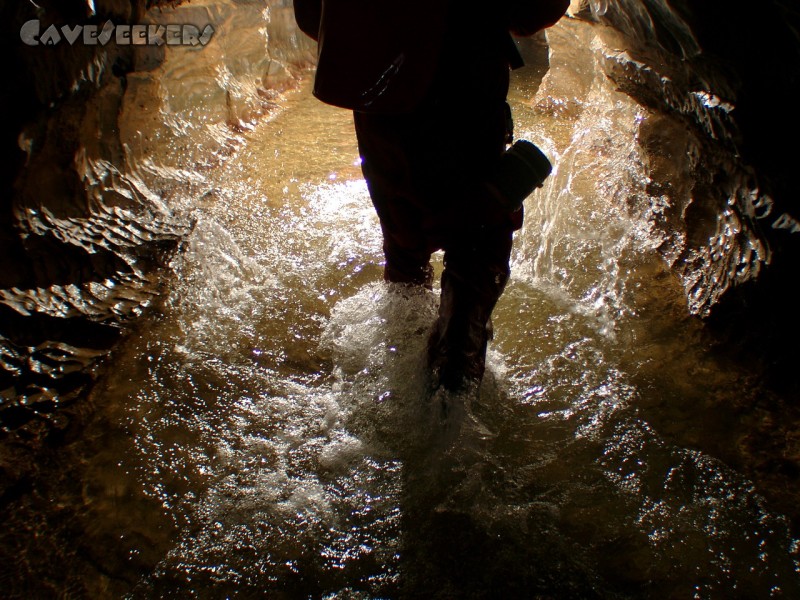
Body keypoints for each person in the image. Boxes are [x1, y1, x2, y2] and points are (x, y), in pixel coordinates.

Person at [293, 1, 569, 392]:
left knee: (405, 244)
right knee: (478, 242)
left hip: (381, 106)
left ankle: (397, 376)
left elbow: (311, 15)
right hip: (464, 90)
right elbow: (533, 9)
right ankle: (455, 391)